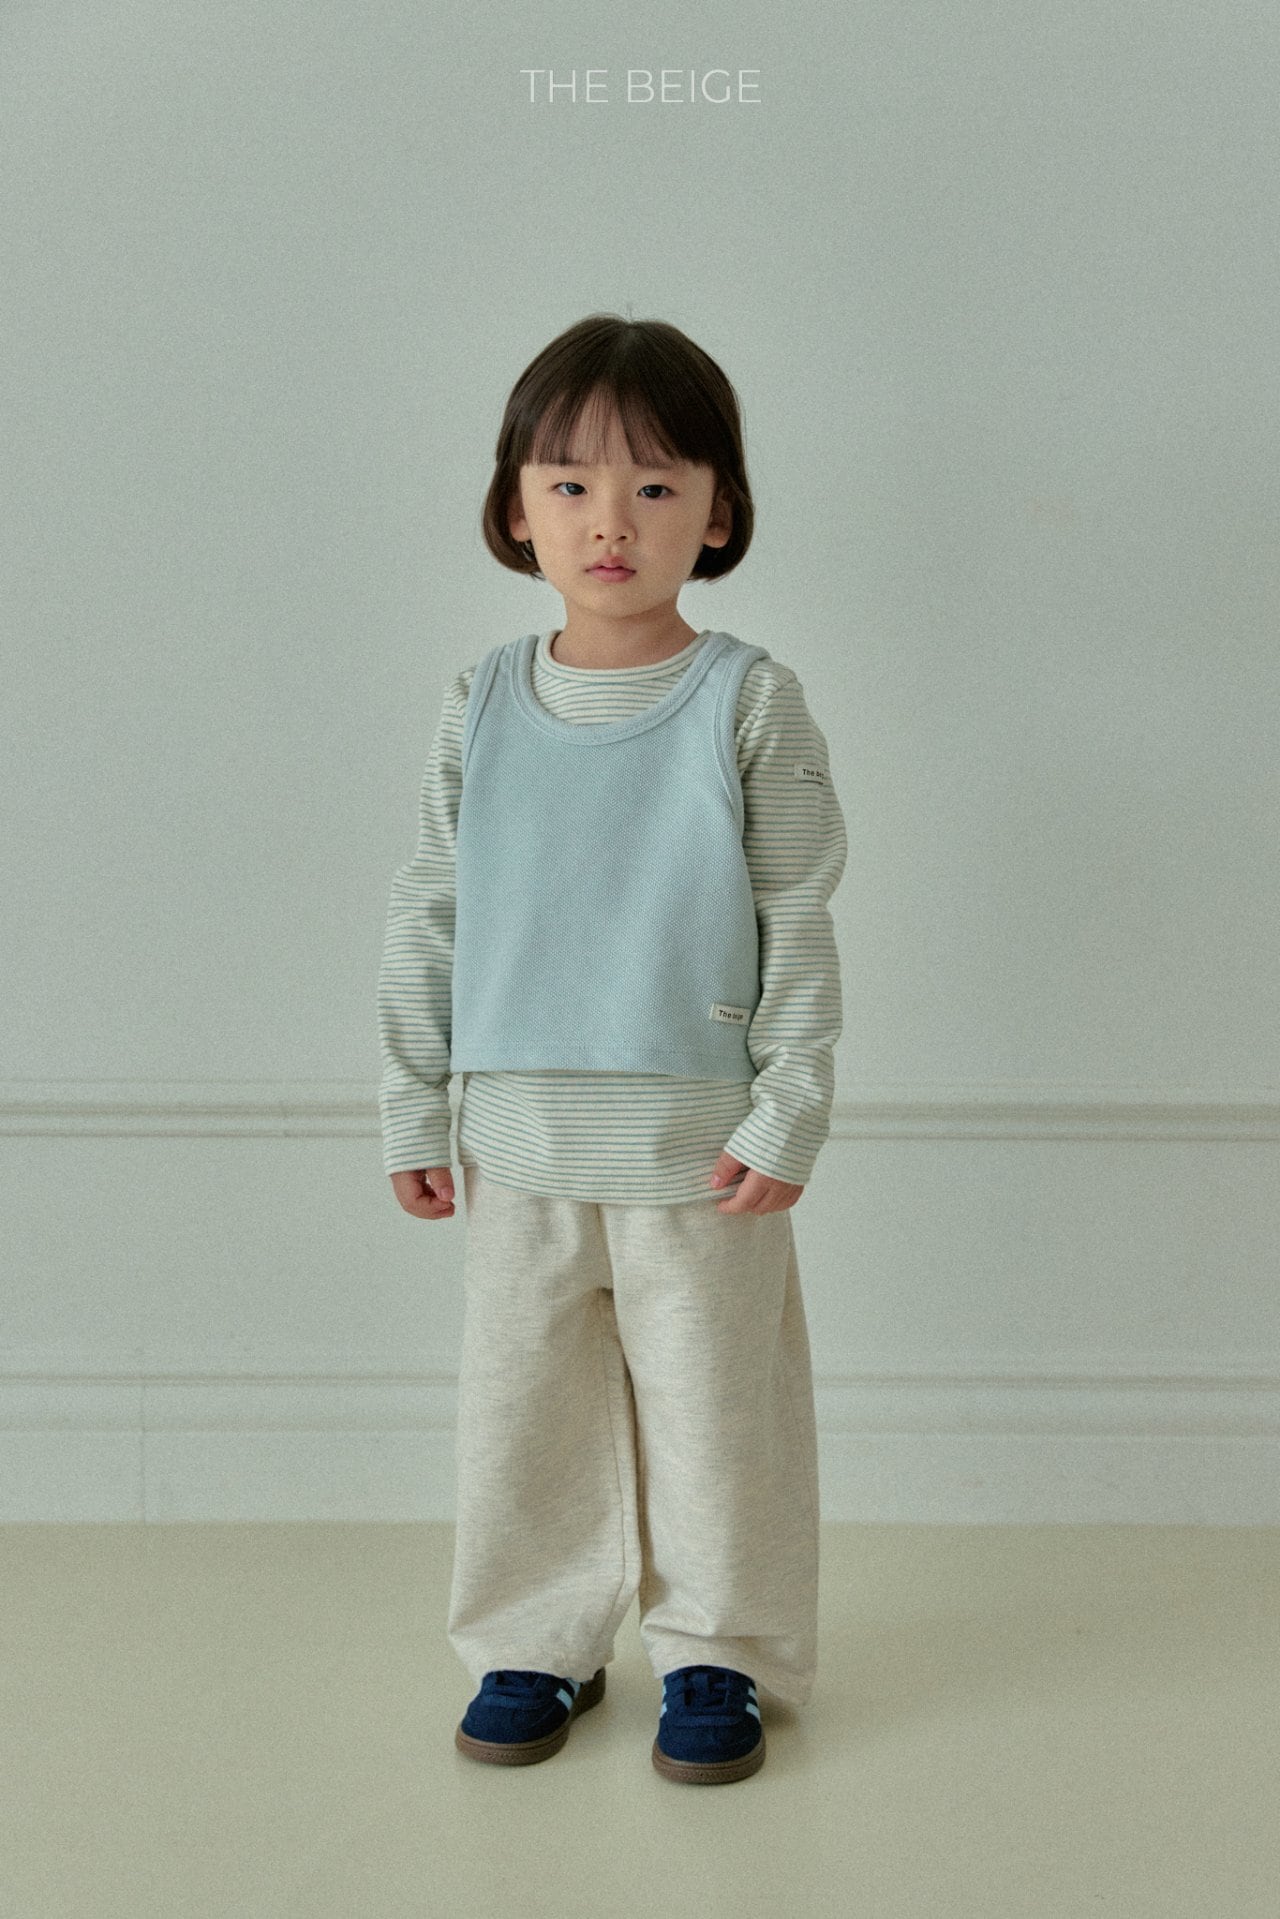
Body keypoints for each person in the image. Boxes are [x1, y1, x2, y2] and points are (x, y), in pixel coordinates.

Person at [376, 313, 846, 1784]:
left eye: (656, 486)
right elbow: (432, 907)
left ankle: (719, 1653)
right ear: (516, 508)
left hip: (700, 1151)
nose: (611, 521)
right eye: (570, 484)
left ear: (720, 512)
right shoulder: (479, 702)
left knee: (717, 1411)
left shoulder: (749, 699)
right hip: (516, 1142)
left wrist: (791, 1106)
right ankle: (535, 1640)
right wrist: (412, 1104)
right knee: (522, 1409)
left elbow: (796, 913)